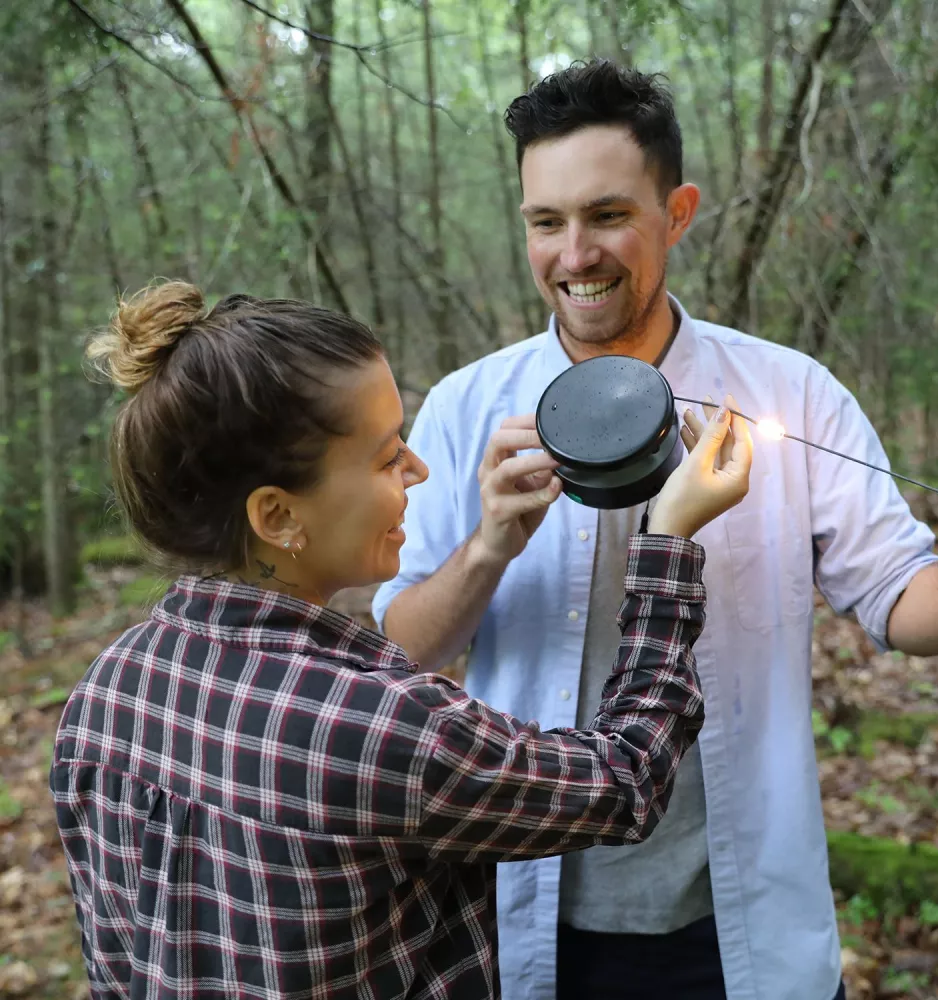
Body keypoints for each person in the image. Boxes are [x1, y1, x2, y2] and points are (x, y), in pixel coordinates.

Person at [372, 60, 938, 1000]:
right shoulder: (468, 409)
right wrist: (489, 545)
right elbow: (399, 654)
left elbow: (909, 608)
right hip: (522, 926)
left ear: (679, 212)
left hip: (745, 927)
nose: (575, 253)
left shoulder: (790, 394)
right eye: (546, 222)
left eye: (609, 215)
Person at [49, 281, 754, 999]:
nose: (418, 471)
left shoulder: (102, 699)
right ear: (277, 514)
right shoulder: (375, 725)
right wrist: (667, 538)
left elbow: (115, 966)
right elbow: (624, 783)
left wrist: (487, 545)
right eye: (388, 458)